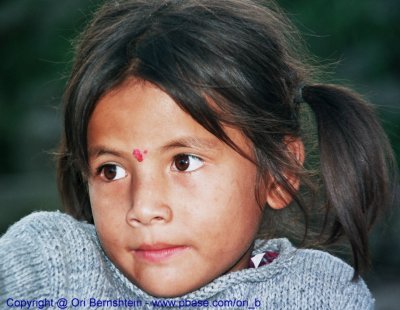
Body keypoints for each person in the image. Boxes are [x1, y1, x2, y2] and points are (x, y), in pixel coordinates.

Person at [1, 0, 398, 308]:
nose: (144, 208)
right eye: (110, 170)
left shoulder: (319, 294)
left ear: (278, 172)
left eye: (183, 162)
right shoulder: (52, 266)